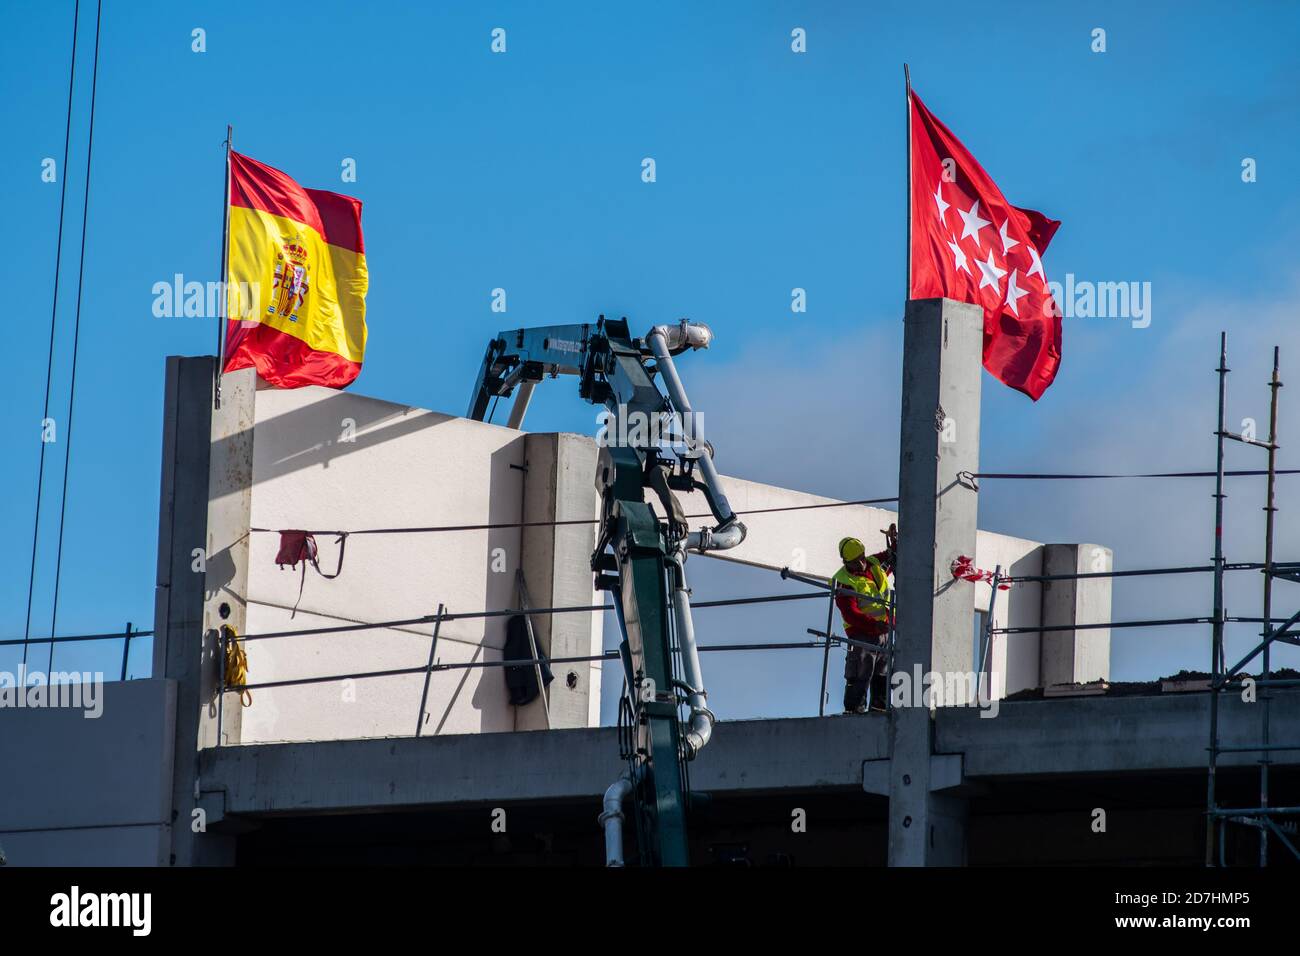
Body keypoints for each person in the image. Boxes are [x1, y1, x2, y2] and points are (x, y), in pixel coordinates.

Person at [832, 524, 896, 714]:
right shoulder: (844, 581)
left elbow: (892, 555)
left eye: (861, 558)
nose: (860, 564)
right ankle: (854, 709)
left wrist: (895, 541)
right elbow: (850, 614)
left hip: (883, 630)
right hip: (862, 634)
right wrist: (875, 625)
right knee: (860, 671)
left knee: (882, 671)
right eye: (854, 562)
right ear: (845, 561)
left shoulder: (873, 563)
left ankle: (879, 706)